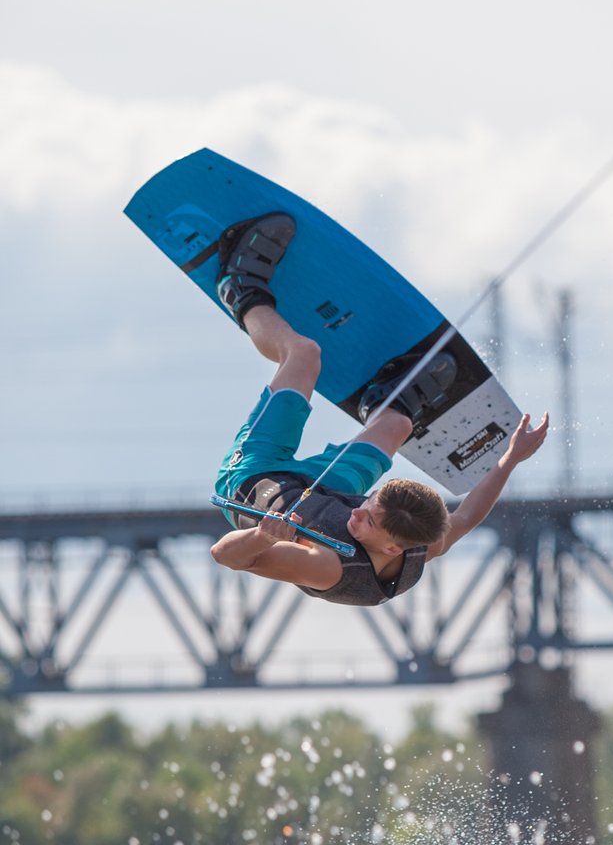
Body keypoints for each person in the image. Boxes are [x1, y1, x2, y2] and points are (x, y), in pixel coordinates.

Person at [209, 213, 549, 606]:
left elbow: (225, 556)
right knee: (397, 425)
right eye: (369, 503)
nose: (359, 513)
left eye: (368, 520)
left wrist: (261, 536)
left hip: (256, 480)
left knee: (304, 354)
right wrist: (510, 458)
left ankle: (240, 288)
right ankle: (387, 401)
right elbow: (467, 517)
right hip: (326, 487)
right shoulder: (420, 540)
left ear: (391, 549)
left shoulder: (325, 565)